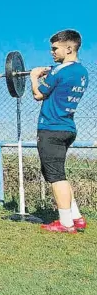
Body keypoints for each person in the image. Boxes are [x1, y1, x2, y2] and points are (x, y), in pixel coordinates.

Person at [30, 29, 89, 233]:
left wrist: (34, 77)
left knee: (56, 177)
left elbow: (38, 94)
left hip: (51, 129)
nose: (52, 53)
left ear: (69, 48)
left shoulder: (59, 71)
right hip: (67, 128)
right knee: (58, 174)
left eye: (55, 48)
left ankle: (65, 223)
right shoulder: (82, 72)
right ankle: (76, 217)